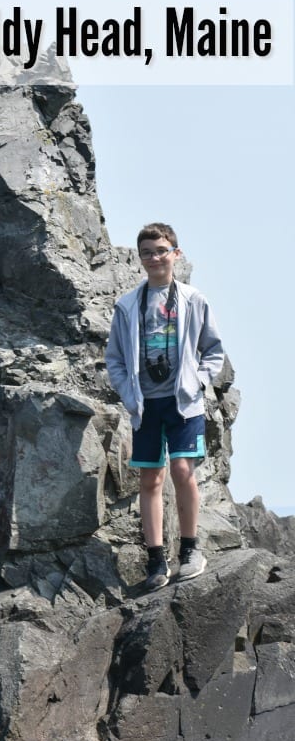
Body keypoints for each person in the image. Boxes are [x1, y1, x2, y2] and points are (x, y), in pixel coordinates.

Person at [105, 222, 224, 591]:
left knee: (183, 469)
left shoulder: (193, 299)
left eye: (160, 250)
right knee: (150, 478)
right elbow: (115, 360)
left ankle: (190, 549)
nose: (154, 257)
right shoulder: (127, 305)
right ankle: (156, 560)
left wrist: (198, 382)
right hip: (146, 404)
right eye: (147, 252)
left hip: (182, 402)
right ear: (139, 258)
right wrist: (128, 393)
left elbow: (214, 351)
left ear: (176, 253)